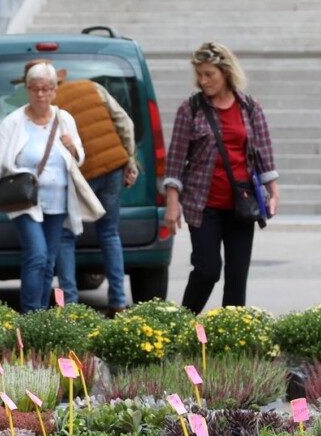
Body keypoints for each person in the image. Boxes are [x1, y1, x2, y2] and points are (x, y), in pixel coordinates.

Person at [163, 41, 280, 313]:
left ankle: (229, 342)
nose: (203, 81)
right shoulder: (190, 109)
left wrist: (273, 192)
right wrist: (172, 202)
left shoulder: (250, 108)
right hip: (203, 205)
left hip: (242, 204)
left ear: (226, 72)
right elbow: (176, 158)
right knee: (207, 270)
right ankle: (182, 325)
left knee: (237, 278)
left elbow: (264, 153)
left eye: (209, 74)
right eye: (199, 74)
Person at [0, 60, 86, 313]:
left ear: (55, 90)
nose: (40, 94)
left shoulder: (64, 119)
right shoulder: (12, 123)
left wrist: (73, 148)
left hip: (58, 203)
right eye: (35, 88)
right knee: (37, 256)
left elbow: (79, 157)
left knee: (49, 262)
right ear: (27, 89)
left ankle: (40, 316)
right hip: (25, 203)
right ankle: (30, 314)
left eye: (46, 89)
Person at [53, 77, 139, 316]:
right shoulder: (93, 87)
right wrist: (129, 161)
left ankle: (70, 305)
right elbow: (125, 123)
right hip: (112, 167)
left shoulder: (50, 102)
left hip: (80, 174)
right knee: (110, 234)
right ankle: (118, 301)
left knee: (66, 236)